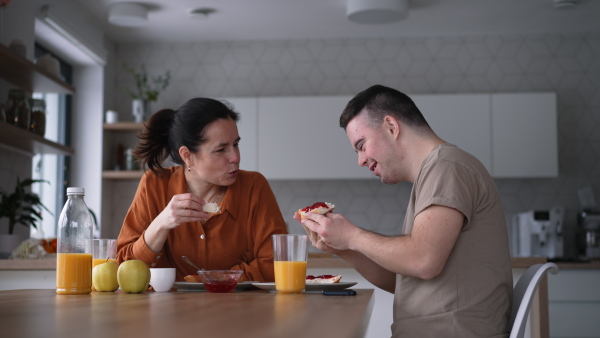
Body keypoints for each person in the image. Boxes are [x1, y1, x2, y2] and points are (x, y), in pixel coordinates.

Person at [294, 85, 513, 337]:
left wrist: (352, 235)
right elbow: (405, 280)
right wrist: (342, 247)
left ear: (391, 127)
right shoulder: (434, 172)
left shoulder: (447, 167)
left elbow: (423, 261)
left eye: (362, 145)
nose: (361, 160)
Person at [117, 98, 288, 282]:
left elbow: (277, 265)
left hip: (239, 309)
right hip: (166, 310)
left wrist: (210, 280)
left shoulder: (254, 187)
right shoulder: (154, 184)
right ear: (187, 156)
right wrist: (161, 224)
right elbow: (123, 269)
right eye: (221, 149)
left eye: (236, 144)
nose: (235, 157)